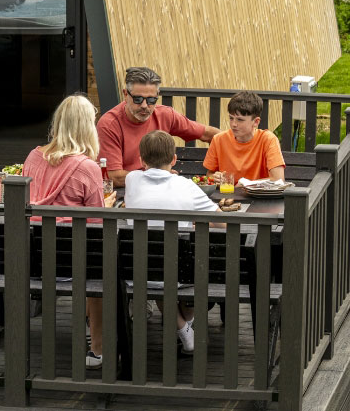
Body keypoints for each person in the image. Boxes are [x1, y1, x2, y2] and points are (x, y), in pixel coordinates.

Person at [21, 93, 106, 369]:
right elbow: (97, 225)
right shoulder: (88, 167)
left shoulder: (33, 157)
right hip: (72, 265)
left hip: (30, 261)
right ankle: (98, 348)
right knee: (101, 265)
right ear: (87, 126)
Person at [123, 130, 224, 355]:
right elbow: (223, 223)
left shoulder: (131, 180)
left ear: (141, 160)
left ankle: (184, 329)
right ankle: (185, 327)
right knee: (179, 266)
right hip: (179, 274)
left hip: (136, 272)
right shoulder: (186, 186)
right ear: (174, 159)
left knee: (159, 271)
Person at [98, 67, 219, 187]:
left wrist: (222, 169)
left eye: (151, 100)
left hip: (162, 186)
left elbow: (211, 134)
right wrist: (158, 176)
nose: (144, 105)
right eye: (138, 99)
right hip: (126, 192)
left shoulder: (165, 115)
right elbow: (113, 177)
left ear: (157, 95)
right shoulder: (109, 125)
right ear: (125, 94)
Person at [203, 91, 286, 183]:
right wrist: (215, 178)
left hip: (258, 192)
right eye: (231, 118)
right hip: (228, 191)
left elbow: (278, 179)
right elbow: (209, 174)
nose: (234, 124)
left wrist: (246, 184)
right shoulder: (218, 139)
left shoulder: (268, 139)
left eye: (240, 120)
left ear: (256, 122)